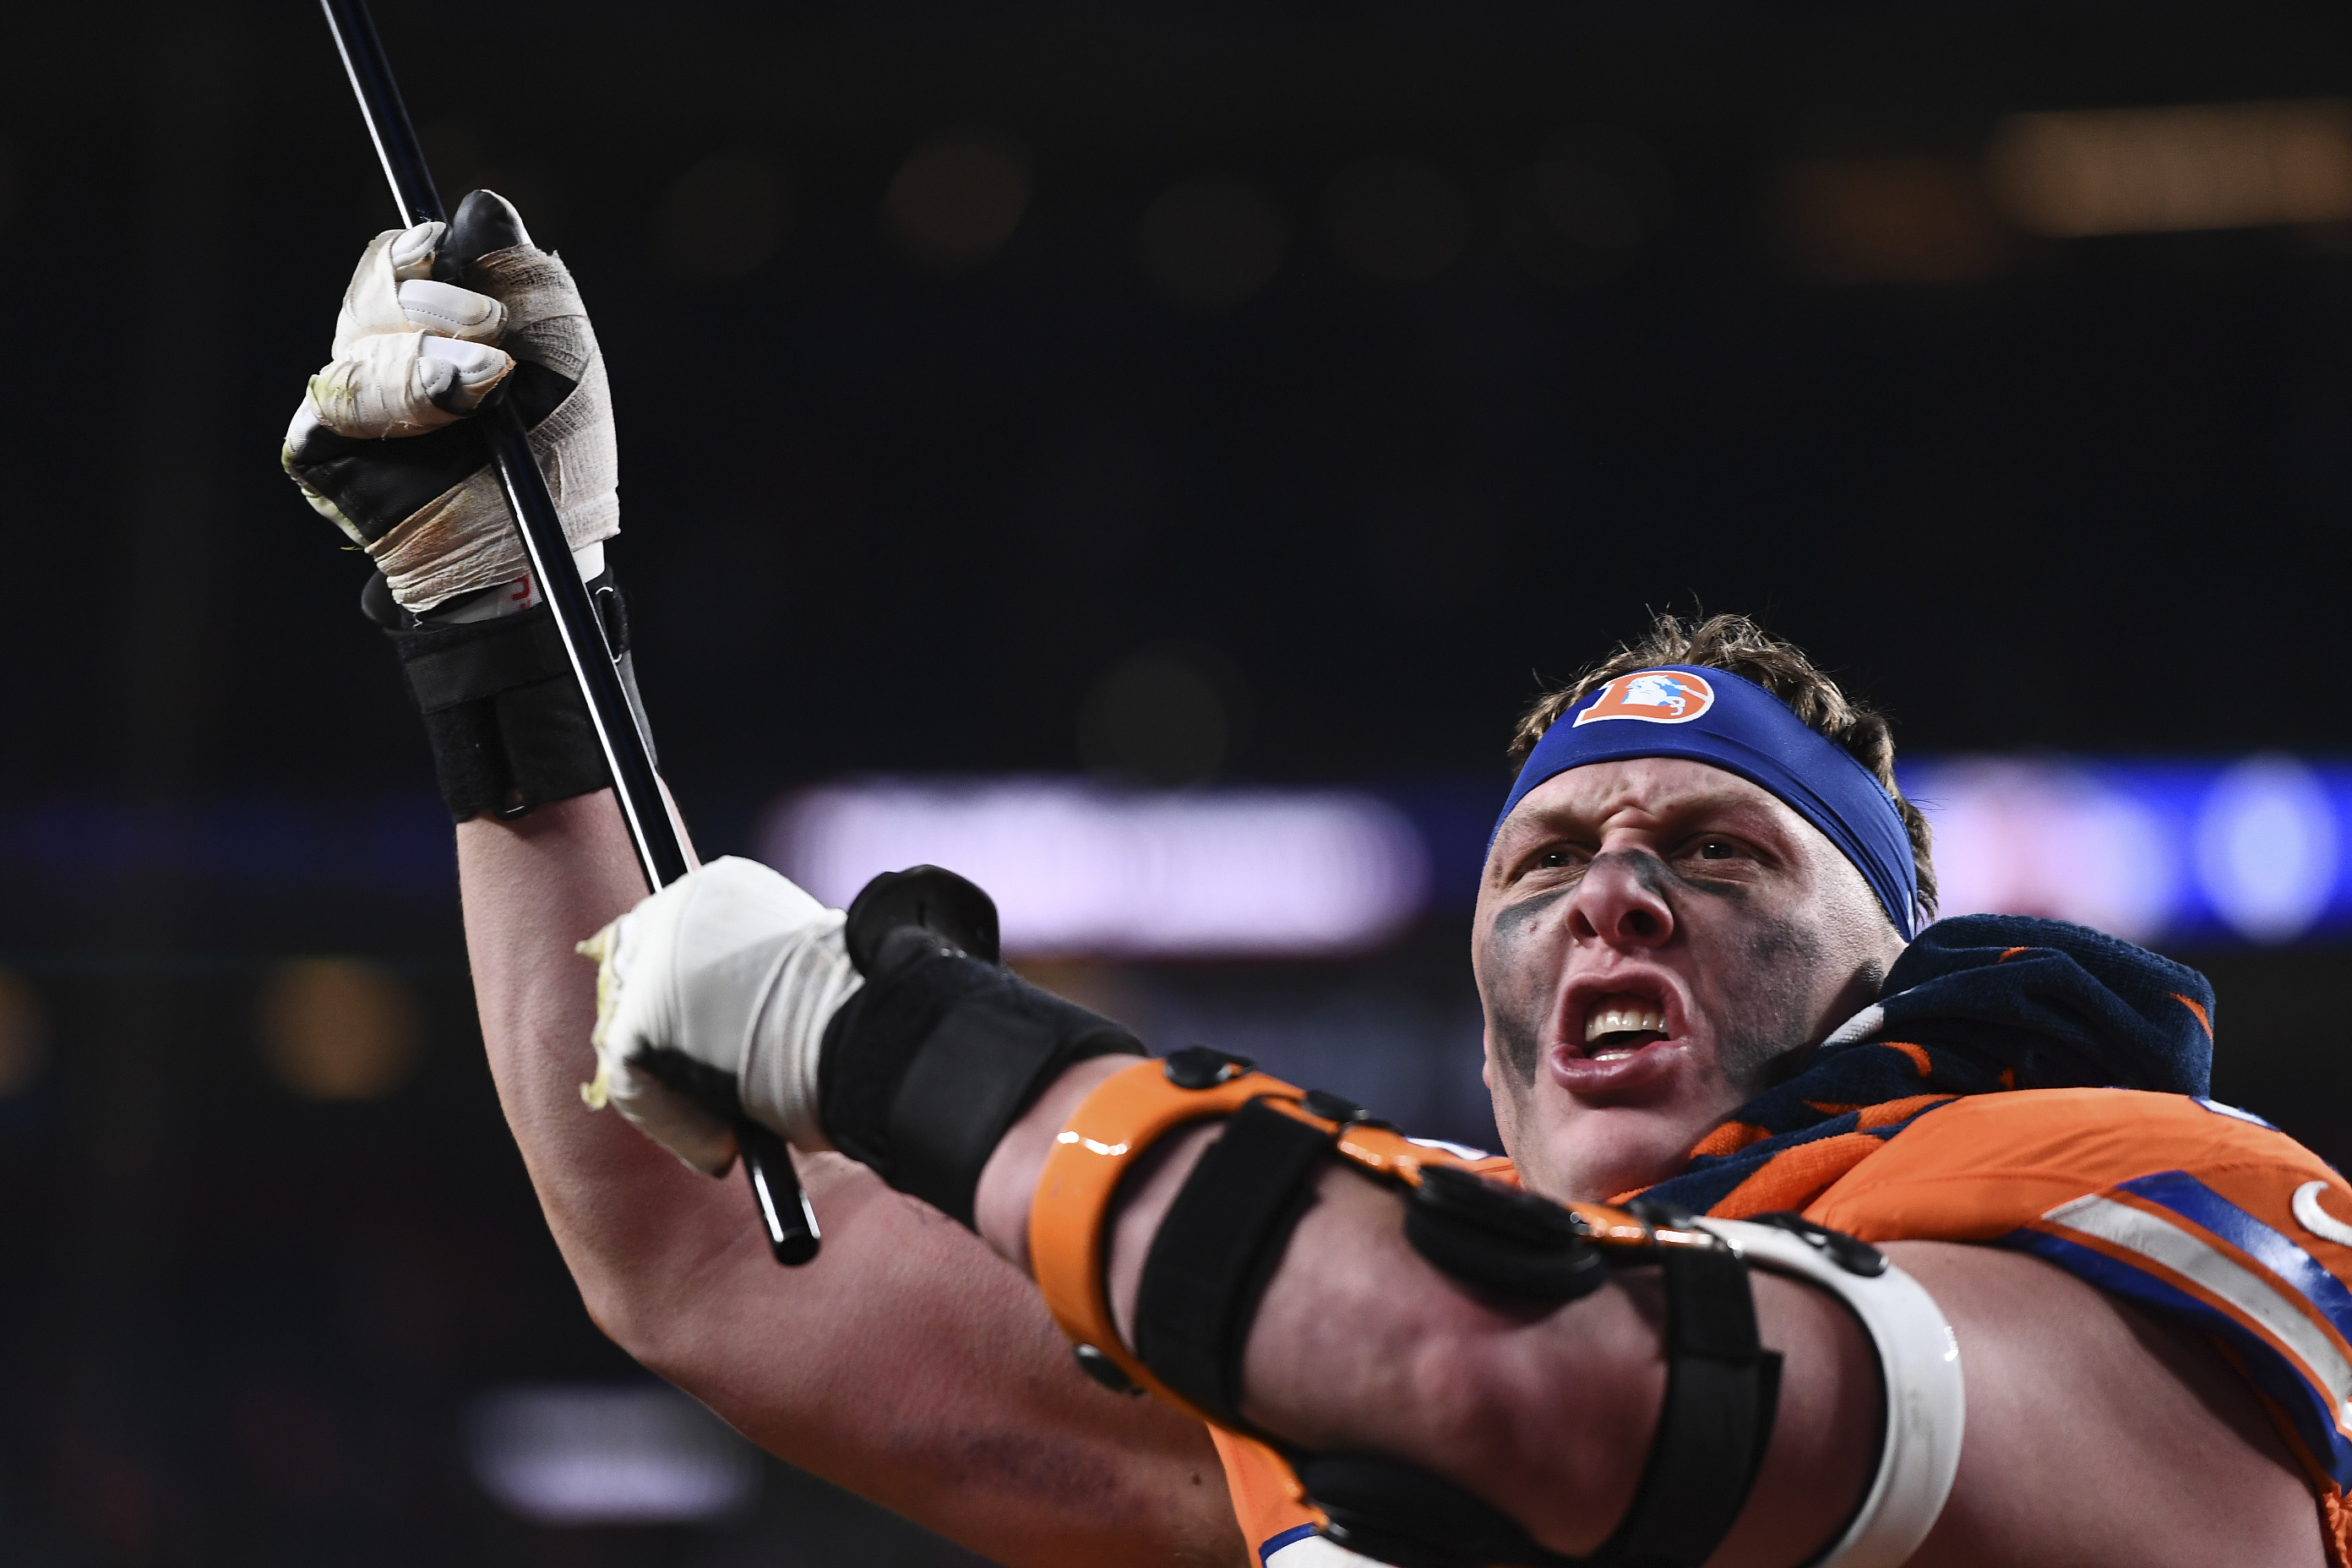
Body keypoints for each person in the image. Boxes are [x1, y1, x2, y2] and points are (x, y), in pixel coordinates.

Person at [286, 195, 2352, 1568]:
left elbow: (1527, 1375)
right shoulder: (1339, 1319)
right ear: (1488, 1004)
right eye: (1548, 857)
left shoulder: (2141, 1206)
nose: (1613, 894)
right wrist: (499, 636)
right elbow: (705, 1247)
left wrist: (874, 1026)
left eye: (1719, 850)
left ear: (1893, 963)